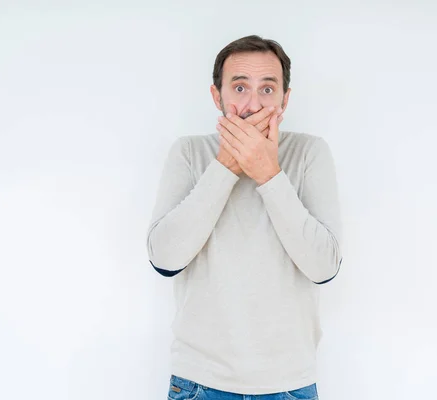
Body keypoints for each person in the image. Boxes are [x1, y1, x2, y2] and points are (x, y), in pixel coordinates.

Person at [146, 35, 343, 400]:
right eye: (239, 87)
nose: (253, 105)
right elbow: (164, 260)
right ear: (216, 95)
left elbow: (324, 267)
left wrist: (269, 173)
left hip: (290, 384)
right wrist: (226, 166)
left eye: (267, 89)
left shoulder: (309, 153)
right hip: (198, 384)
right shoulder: (189, 153)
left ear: (285, 99)